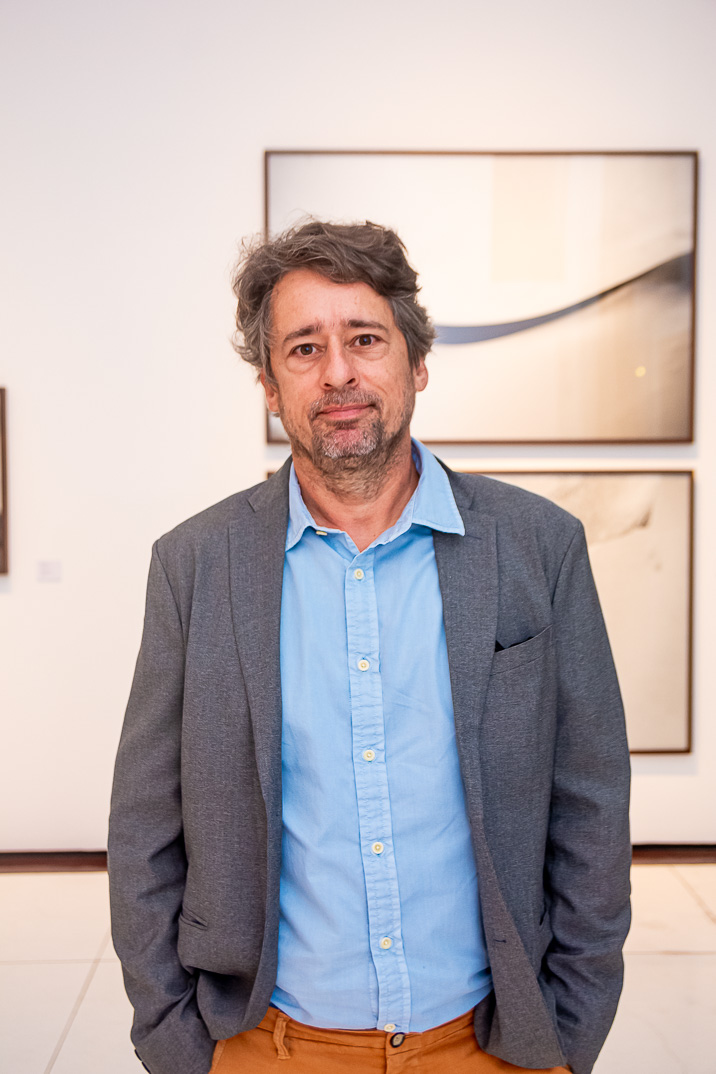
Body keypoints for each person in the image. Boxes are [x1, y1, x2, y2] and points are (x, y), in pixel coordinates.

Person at [108, 220, 631, 1074]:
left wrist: (569, 1032)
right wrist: (177, 1043)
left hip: (493, 1046)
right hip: (267, 1046)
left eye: (364, 339)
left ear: (416, 363)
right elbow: (144, 827)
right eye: (304, 348)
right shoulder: (194, 565)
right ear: (269, 385)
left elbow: (592, 802)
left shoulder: (540, 547)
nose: (338, 373)